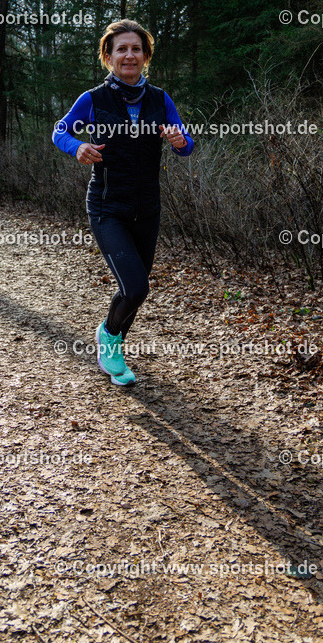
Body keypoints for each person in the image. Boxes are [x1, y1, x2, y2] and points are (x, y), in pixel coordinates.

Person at [52, 19, 194, 385]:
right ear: (108, 56)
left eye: (136, 49)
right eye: (121, 49)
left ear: (146, 57)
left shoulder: (160, 99)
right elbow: (61, 130)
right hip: (106, 206)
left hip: (148, 207)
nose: (129, 55)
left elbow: (186, 143)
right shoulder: (93, 99)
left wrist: (180, 141)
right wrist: (77, 146)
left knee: (134, 286)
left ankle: (113, 350)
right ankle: (109, 336)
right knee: (136, 287)